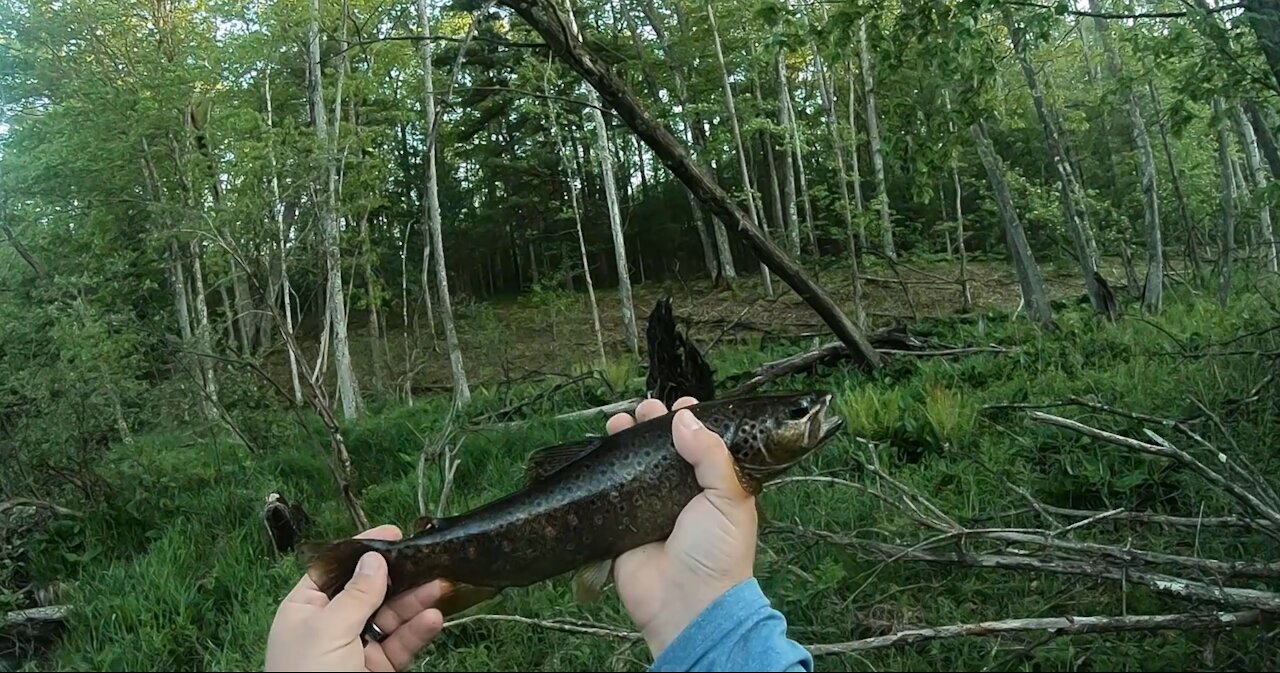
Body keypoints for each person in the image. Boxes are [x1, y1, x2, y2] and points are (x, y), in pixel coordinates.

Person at [265, 397, 813, 672]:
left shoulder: (721, 464)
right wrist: (709, 621)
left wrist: (696, 603)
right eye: (796, 414)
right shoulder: (722, 447)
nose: (807, 419)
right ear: (745, 438)